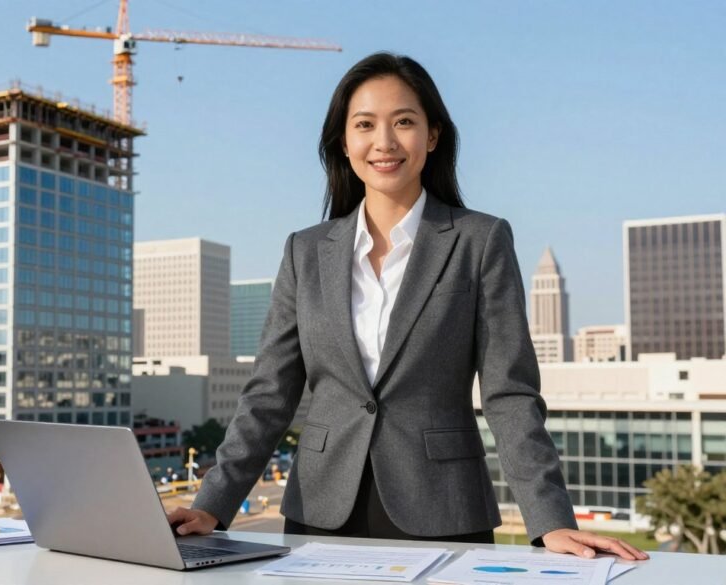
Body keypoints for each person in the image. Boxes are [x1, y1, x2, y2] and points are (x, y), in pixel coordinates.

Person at [167, 52, 648, 562]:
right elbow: (269, 394)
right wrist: (212, 505)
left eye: (404, 122)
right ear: (343, 141)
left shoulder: (479, 241)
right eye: (365, 124)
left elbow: (510, 394)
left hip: (443, 508)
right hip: (319, 511)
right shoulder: (303, 251)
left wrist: (550, 520)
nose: (385, 142)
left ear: (433, 135)